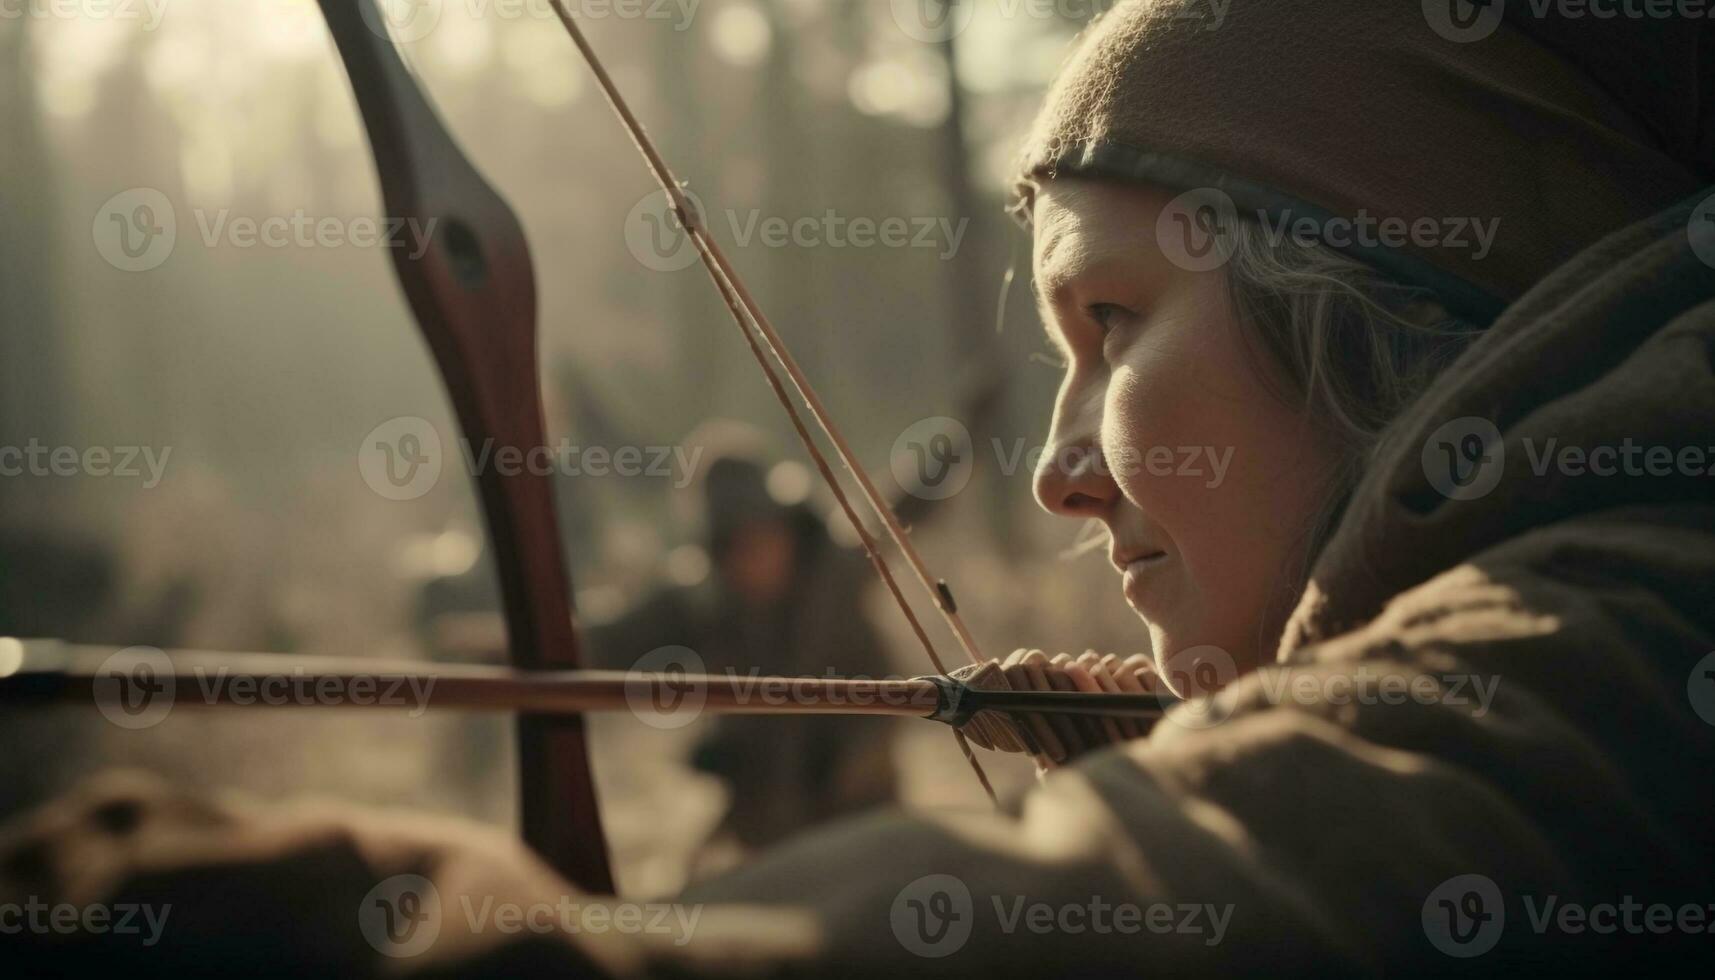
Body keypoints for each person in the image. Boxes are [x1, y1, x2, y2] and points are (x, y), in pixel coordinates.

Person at [5, 3, 1713, 974]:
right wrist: (465, 612)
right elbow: (608, 626)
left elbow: (1326, 854)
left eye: (1111, 322)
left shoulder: (1635, 639)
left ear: (1393, 305)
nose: (1060, 472)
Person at [588, 426, 900, 861]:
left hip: (857, 793)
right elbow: (602, 642)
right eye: (737, 545)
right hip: (767, 816)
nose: (755, 556)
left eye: (763, 536)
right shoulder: (702, 606)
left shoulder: (839, 568)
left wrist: (961, 438)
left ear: (786, 530)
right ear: (720, 554)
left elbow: (907, 500)